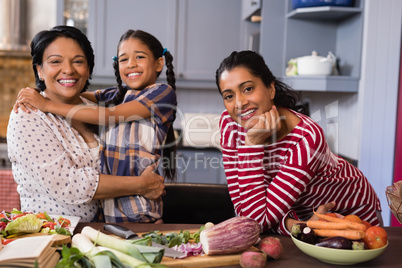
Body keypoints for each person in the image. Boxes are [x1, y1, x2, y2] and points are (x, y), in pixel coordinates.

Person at [16, 29, 177, 223]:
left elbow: (110, 116)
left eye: (140, 57)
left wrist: (48, 103)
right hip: (98, 218)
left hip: (140, 207)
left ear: (159, 63)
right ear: (39, 69)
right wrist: (44, 92)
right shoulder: (120, 94)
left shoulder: (161, 92)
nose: (131, 64)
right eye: (124, 59)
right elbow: (87, 95)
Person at [215, 50, 382, 235]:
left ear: (270, 89)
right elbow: (245, 212)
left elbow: (255, 221)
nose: (239, 103)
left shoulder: (306, 138)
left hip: (349, 213)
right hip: (302, 222)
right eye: (229, 96)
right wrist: (294, 225)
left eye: (248, 89)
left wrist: (252, 145)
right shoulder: (230, 124)